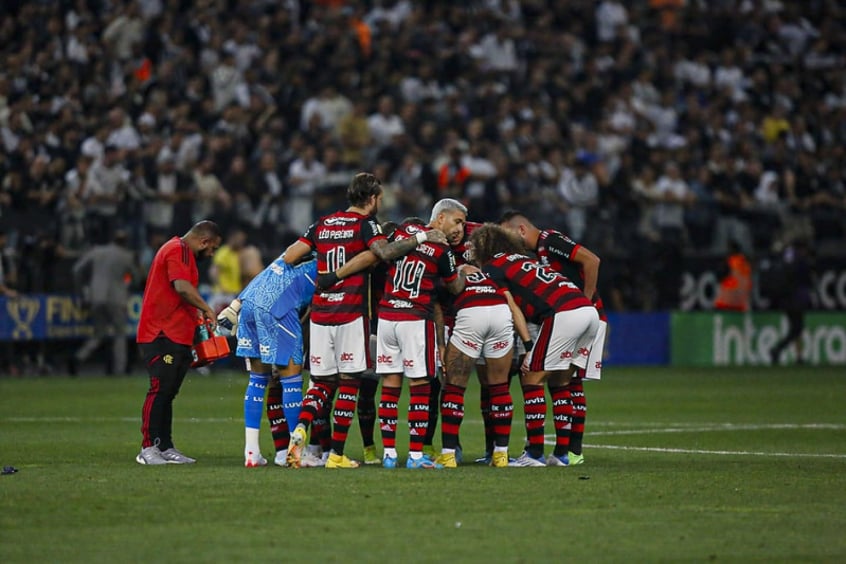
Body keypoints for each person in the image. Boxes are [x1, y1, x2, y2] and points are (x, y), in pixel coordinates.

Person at [281, 172, 448, 469]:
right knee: (349, 383)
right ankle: (336, 455)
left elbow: (291, 256)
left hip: (320, 313)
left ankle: (301, 427)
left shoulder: (321, 223)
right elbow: (383, 253)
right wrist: (422, 236)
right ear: (371, 199)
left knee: (320, 383)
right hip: (350, 312)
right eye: (380, 199)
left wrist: (325, 261)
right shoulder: (366, 224)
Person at [470, 224, 599, 467]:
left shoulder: (493, 267)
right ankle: (561, 454)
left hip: (563, 313)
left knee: (531, 378)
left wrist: (528, 345)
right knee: (561, 382)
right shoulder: (523, 258)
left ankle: (535, 454)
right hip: (587, 311)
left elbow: (512, 306)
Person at [375, 198, 475, 469]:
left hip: (386, 316)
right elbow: (454, 288)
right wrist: (465, 271)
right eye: (457, 221)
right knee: (420, 386)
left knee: (390, 386)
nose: (460, 229)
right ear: (440, 218)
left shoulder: (403, 233)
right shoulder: (443, 250)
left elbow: (385, 252)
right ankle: (417, 456)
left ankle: (389, 454)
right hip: (415, 319)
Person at [135, 220, 222, 465]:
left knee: (168, 392)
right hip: (160, 333)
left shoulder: (183, 254)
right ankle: (147, 447)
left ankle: (165, 446)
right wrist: (207, 308)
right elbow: (182, 287)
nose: (212, 253)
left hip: (176, 333)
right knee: (159, 389)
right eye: (212, 248)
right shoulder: (177, 249)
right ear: (203, 241)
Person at [217, 255, 317, 467]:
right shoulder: (325, 263)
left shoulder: (287, 256)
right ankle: (296, 454)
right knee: (291, 379)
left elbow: (259, 278)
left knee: (258, 379)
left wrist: (235, 306)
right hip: (278, 309)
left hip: (249, 306)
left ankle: (252, 453)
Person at [436, 267, 531, 468]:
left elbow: (438, 306)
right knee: (499, 387)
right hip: (500, 312)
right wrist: (527, 343)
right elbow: (513, 306)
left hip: (472, 313)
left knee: (454, 387)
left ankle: (448, 456)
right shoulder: (492, 276)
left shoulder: (452, 274)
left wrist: (441, 344)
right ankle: (501, 454)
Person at [71, 230, 138, 375]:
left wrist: (82, 290)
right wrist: (128, 287)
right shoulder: (127, 256)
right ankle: (119, 370)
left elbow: (76, 269)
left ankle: (78, 357)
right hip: (117, 298)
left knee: (98, 333)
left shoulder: (97, 251)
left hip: (96, 296)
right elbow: (136, 277)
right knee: (120, 334)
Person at [769, 239, 814, 365]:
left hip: (785, 299)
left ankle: (799, 356)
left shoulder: (786, 259)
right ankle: (777, 349)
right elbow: (807, 280)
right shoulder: (801, 262)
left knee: (795, 328)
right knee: (797, 329)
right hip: (796, 300)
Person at [714, 240, 752, 312]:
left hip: (728, 301)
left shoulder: (730, 261)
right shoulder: (746, 263)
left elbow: (719, 276)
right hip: (742, 302)